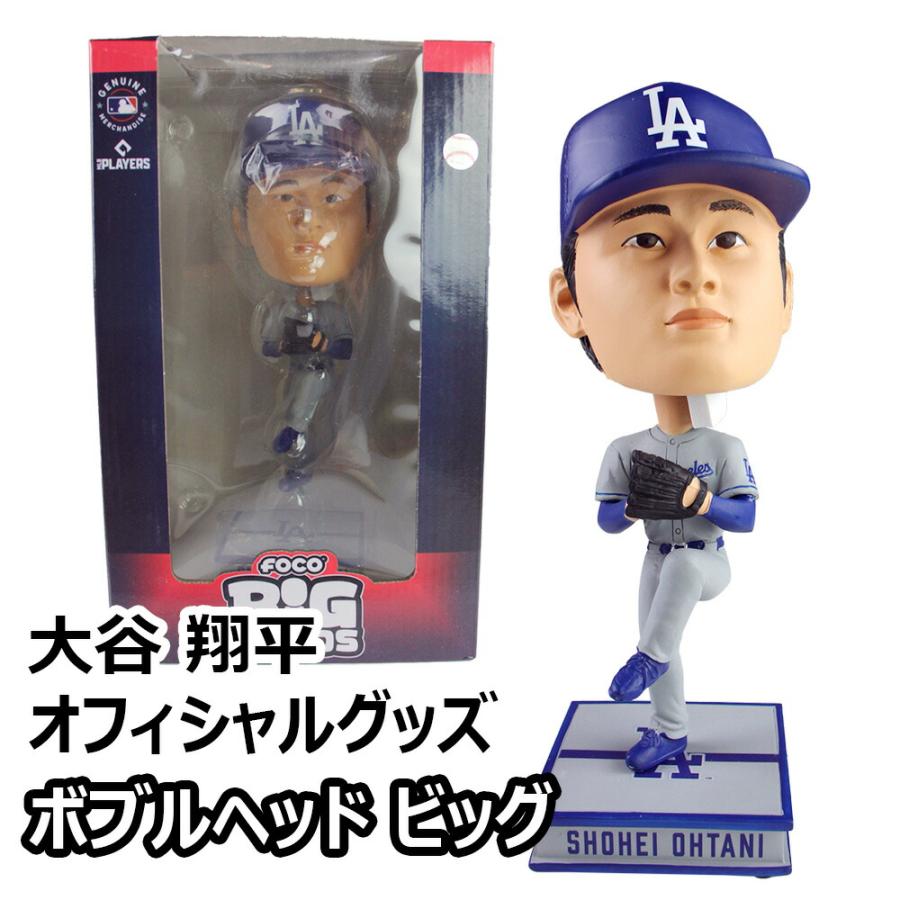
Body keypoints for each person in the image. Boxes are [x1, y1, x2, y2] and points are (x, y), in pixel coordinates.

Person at [550, 83, 809, 772]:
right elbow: (607, 521)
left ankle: (648, 657)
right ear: (570, 301)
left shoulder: (724, 447)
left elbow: (744, 520)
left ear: (787, 289)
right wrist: (636, 504)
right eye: (646, 239)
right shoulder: (627, 449)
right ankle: (668, 728)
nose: (695, 274)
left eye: (728, 238)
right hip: (654, 558)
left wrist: (700, 499)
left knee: (681, 586)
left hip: (704, 555)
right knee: (662, 625)